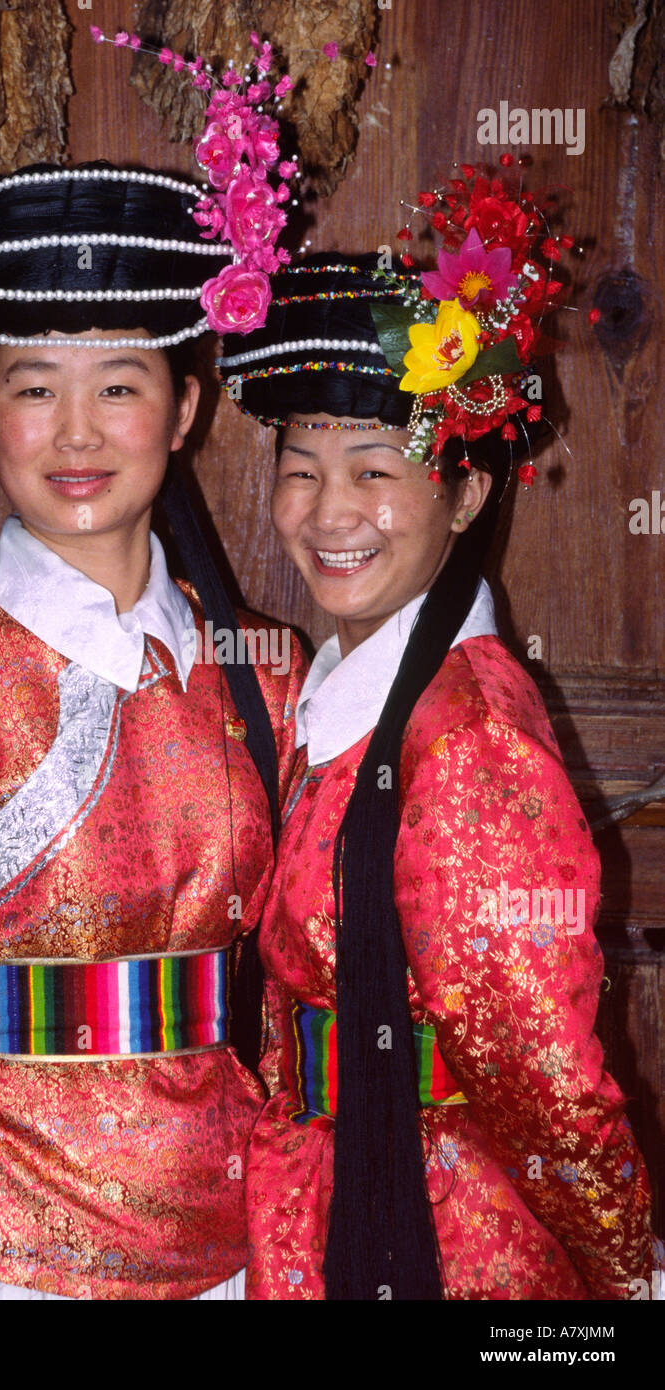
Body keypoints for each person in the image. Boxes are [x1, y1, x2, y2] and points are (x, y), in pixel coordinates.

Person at [0, 161, 306, 1300]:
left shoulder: (266, 677)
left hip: (227, 1234)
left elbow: (289, 985)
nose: (76, 432)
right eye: (32, 387)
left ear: (184, 409)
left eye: (120, 386)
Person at [216, 168, 656, 1301]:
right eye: (302, 471)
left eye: (376, 470)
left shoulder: (466, 736)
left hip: (441, 1235)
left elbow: (543, 1066)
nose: (329, 513)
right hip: (335, 1192)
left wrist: (621, 1270)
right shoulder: (343, 703)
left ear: (465, 497)